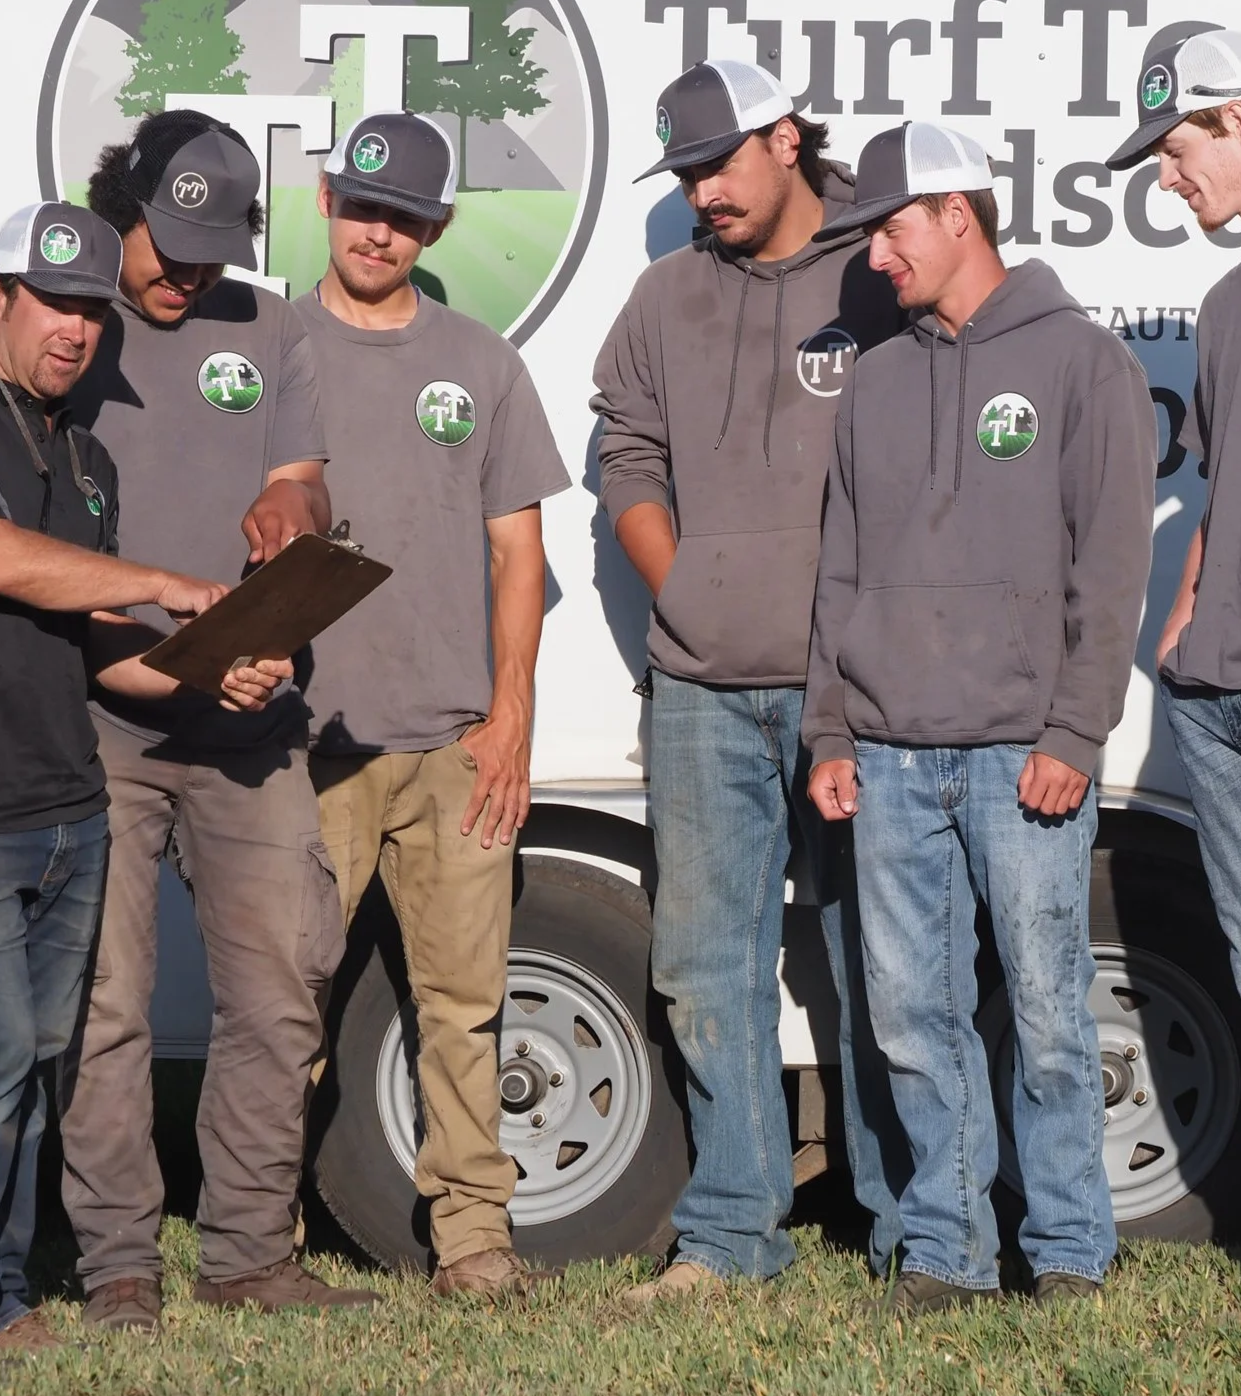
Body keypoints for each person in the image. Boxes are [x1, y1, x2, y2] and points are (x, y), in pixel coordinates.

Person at [0, 202, 292, 1372]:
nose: (75, 330)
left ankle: (0, 1293)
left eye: (92, 310)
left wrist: (216, 677)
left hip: (65, 807)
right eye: (51, 301)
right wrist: (172, 581)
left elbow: (110, 648)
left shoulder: (84, 457)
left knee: (40, 1055)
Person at [803, 121, 1155, 1315]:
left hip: (1022, 757)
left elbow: (1110, 568)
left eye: (891, 230)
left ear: (958, 214)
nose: (876, 258)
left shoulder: (1081, 362)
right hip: (890, 757)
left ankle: (1065, 1250)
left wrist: (1073, 733)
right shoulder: (876, 379)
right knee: (911, 1017)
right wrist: (830, 728)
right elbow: (838, 566)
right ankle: (948, 1252)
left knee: (1051, 1015)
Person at [54, 108, 377, 1332]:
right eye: (167, 245)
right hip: (103, 724)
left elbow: (301, 470)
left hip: (250, 720)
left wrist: (288, 512)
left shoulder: (272, 321)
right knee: (109, 1005)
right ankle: (118, 1268)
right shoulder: (64, 311)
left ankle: (248, 1253)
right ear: (117, 201)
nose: (188, 272)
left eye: (210, 250)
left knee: (283, 982)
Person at [589, 59, 906, 1301]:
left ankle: (904, 1221)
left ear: (786, 139)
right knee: (702, 956)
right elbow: (627, 457)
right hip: (704, 688)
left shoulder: (878, 270)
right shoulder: (664, 295)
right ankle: (729, 1232)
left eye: (718, 163)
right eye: (683, 173)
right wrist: (686, 589)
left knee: (881, 955)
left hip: (862, 689)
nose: (700, 192)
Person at [293, 112, 573, 1296]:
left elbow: (520, 555)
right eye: (361, 207)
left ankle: (471, 1239)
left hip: (453, 741)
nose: (377, 231)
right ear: (324, 204)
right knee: (285, 1005)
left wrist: (508, 719)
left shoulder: (482, 362)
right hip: (304, 746)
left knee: (462, 1010)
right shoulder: (269, 348)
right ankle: (262, 1239)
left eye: (403, 217)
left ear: (436, 228)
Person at [1107, 29, 1241, 998]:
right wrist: (1185, 619)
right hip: (1212, 694)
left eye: (1172, 149)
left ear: (1233, 115)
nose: (1164, 179)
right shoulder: (1223, 304)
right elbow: (1215, 482)